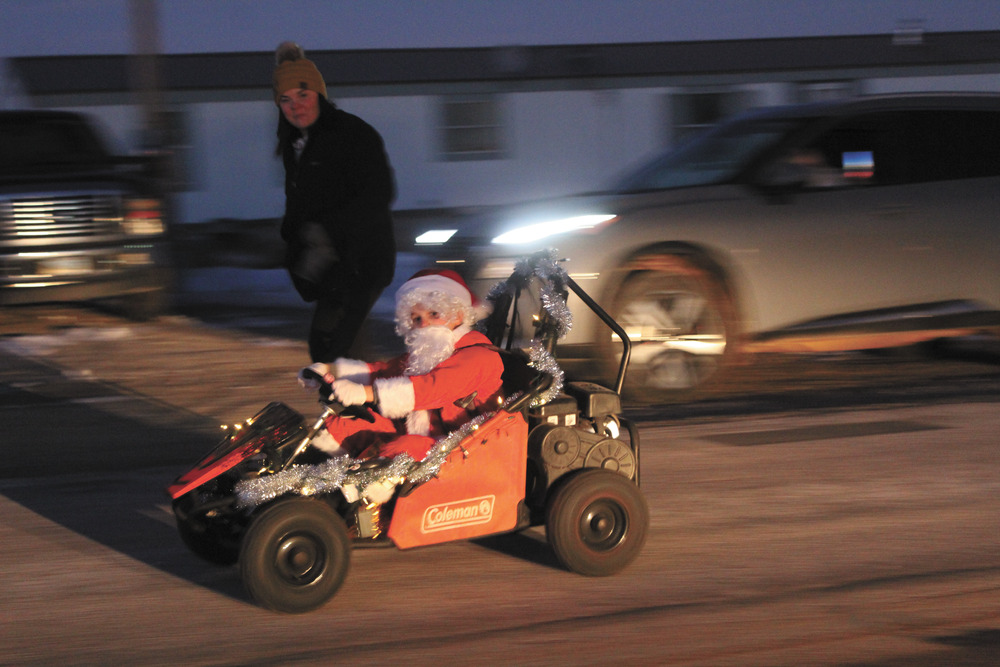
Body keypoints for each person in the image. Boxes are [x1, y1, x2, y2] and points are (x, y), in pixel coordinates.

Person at [299, 269, 504, 463]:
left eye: (434, 314)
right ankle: (316, 480)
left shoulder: (479, 355)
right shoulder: (427, 355)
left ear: (458, 315)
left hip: (467, 448)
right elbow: (384, 371)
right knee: (343, 423)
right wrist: (328, 370)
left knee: (405, 448)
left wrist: (366, 393)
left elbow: (433, 388)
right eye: (416, 318)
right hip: (424, 438)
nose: (424, 325)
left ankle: (363, 493)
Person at [273, 41, 396, 362]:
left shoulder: (352, 134)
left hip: (361, 260)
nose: (295, 106)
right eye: (285, 100)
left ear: (319, 94)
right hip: (329, 267)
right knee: (334, 351)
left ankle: (367, 406)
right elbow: (298, 204)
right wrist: (294, 242)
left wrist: (326, 232)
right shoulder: (296, 145)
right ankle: (361, 407)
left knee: (334, 349)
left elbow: (379, 193)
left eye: (303, 95)